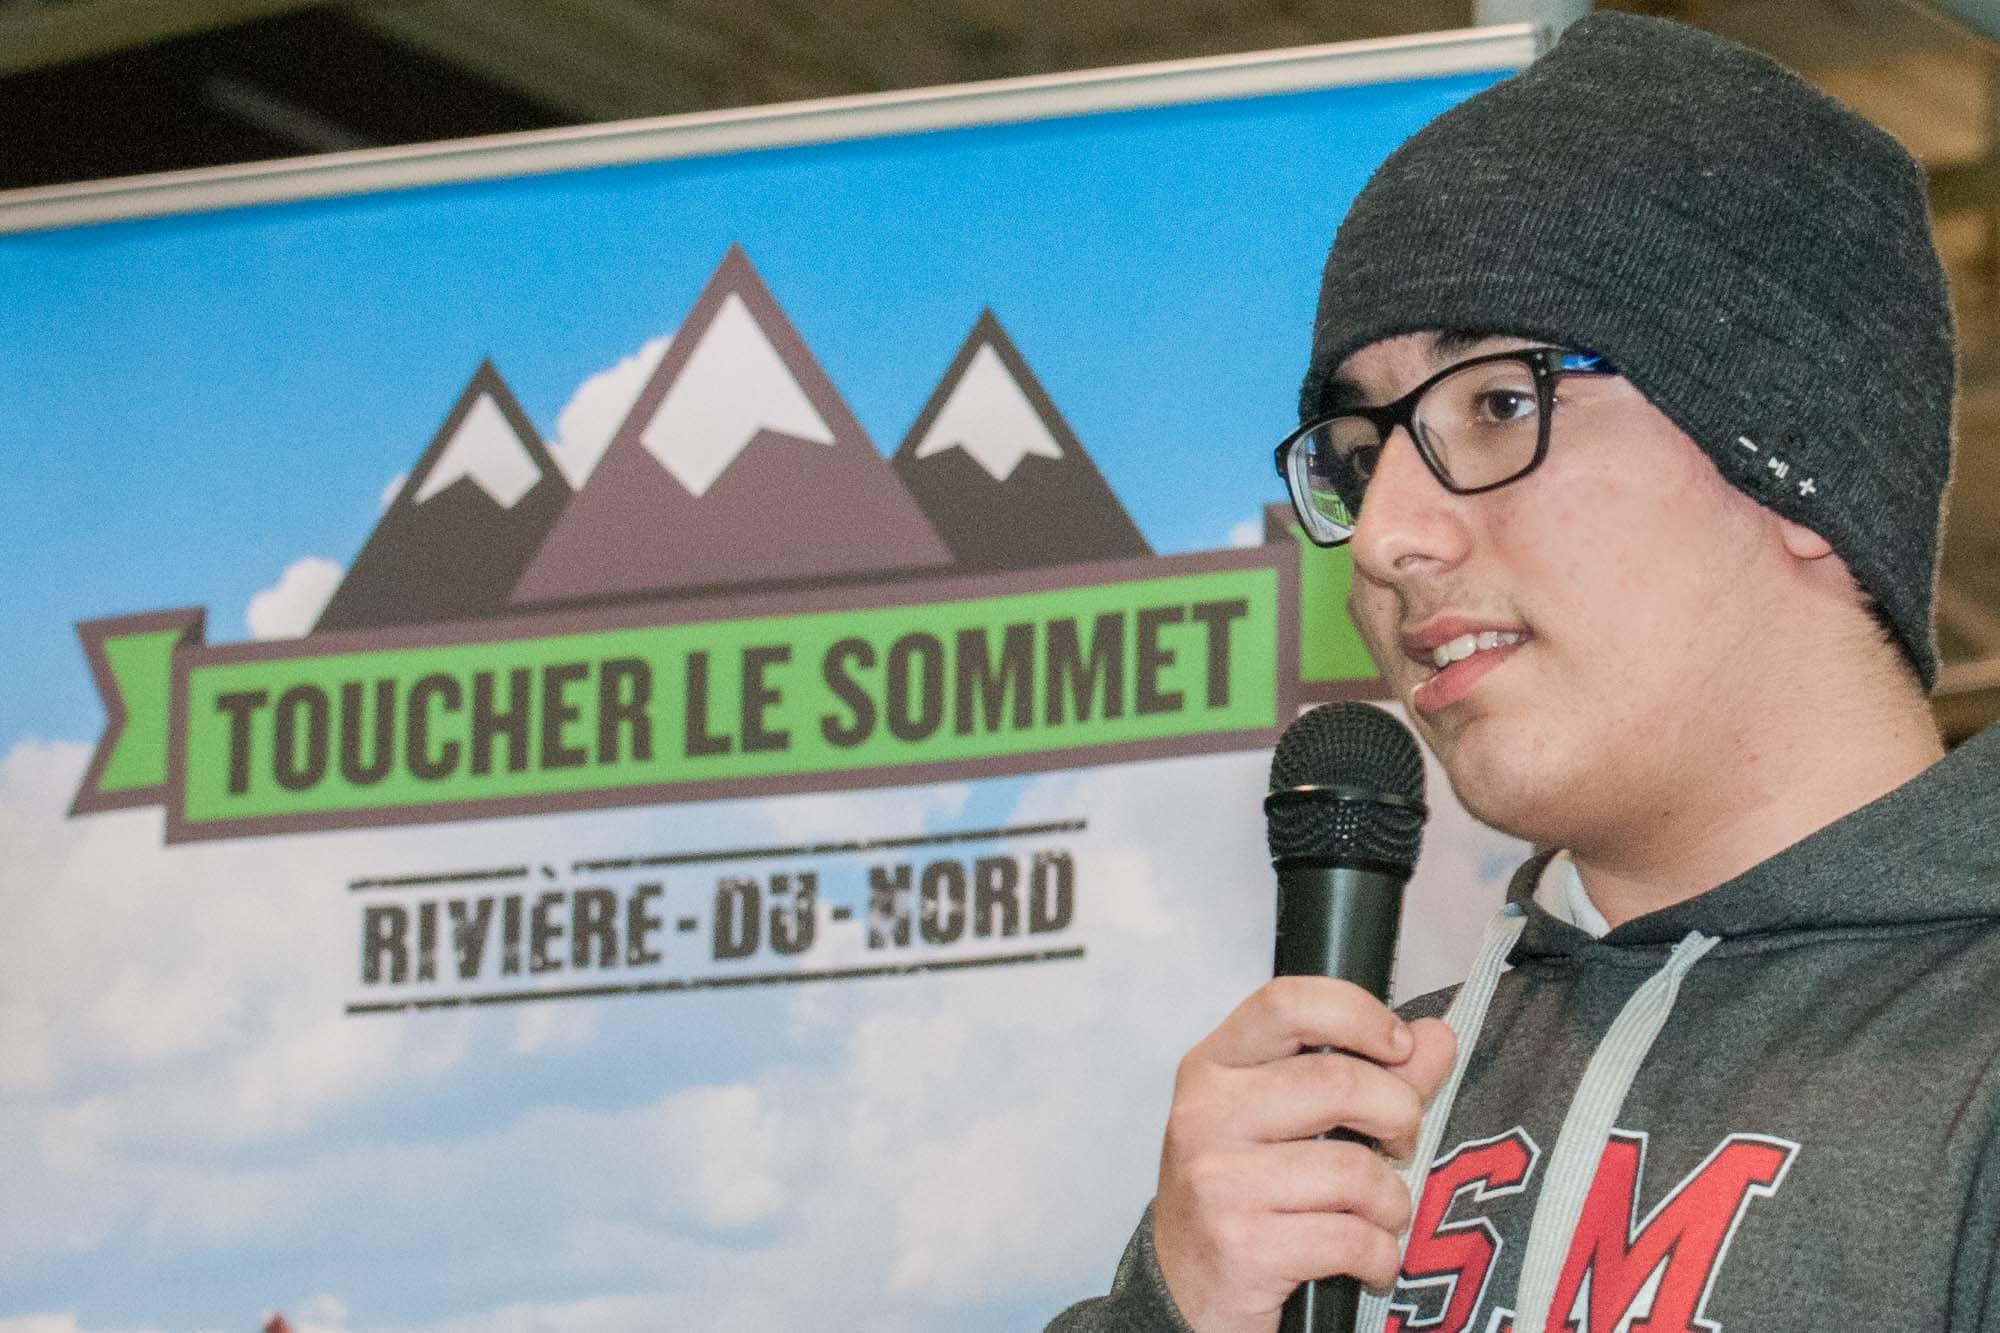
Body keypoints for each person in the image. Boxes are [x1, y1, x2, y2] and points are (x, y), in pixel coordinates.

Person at [1050, 11, 2000, 1332]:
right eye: (1361, 456)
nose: (1383, 537)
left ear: (1788, 463)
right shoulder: (1351, 1127)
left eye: (1498, 403)